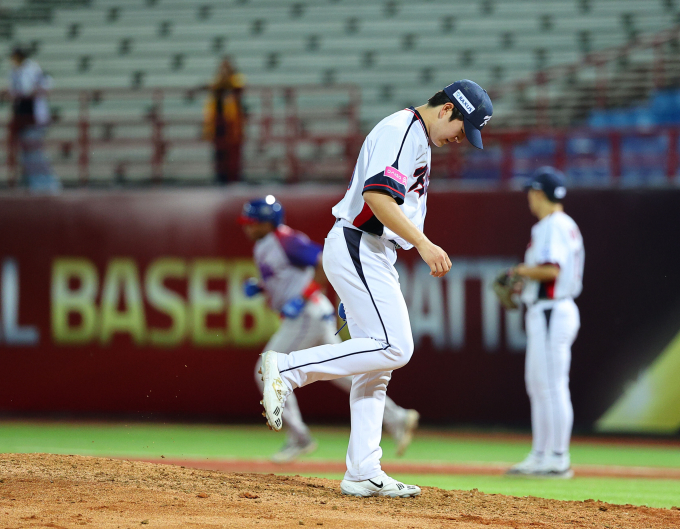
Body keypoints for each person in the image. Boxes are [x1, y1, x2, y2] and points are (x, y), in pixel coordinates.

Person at [258, 80, 493, 498]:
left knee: (377, 365)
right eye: (461, 127)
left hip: (372, 251)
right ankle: (287, 369)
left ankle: (363, 470)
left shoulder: (416, 136)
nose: (460, 138)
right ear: (445, 110)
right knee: (396, 347)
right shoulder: (403, 130)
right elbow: (377, 197)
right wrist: (423, 243)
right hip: (358, 243)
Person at [239, 196, 420, 464]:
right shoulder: (265, 244)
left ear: (268, 223)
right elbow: (286, 275)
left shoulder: (285, 239)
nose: (248, 227)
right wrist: (263, 286)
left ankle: (299, 438)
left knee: (266, 370)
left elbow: (322, 260)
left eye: (254, 222)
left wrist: (303, 295)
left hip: (306, 313)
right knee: (343, 369)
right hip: (310, 313)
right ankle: (397, 417)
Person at [505, 167, 584, 479]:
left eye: (531, 192)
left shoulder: (555, 225)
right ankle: (541, 455)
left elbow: (552, 271)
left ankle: (558, 458)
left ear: (539, 193)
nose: (529, 198)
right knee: (539, 385)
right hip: (544, 309)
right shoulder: (555, 226)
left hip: (553, 310)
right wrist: (522, 283)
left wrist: (520, 272)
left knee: (551, 385)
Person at [8, 47, 60, 192]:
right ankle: (34, 184)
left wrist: (34, 90)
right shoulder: (15, 71)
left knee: (34, 152)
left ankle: (48, 184)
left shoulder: (32, 68)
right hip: (22, 116)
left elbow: (47, 82)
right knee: (27, 153)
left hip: (34, 117)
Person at [202, 57, 245, 184]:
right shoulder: (217, 81)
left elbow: (237, 85)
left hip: (232, 124)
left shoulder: (236, 79)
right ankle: (220, 177)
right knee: (219, 152)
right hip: (217, 124)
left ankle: (234, 177)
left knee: (233, 153)